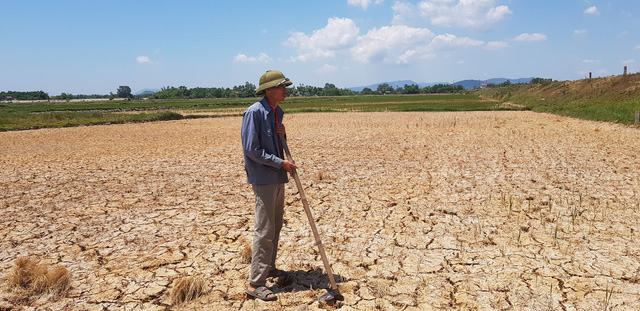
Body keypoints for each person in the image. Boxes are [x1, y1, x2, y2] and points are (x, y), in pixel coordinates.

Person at [241, 70, 297, 301]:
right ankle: (256, 284)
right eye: (281, 86)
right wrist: (280, 162)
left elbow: (274, 144)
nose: (285, 90)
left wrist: (282, 134)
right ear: (268, 90)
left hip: (277, 177)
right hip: (264, 177)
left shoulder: (277, 112)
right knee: (264, 230)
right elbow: (251, 149)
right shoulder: (255, 112)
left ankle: (269, 267)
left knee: (275, 226)